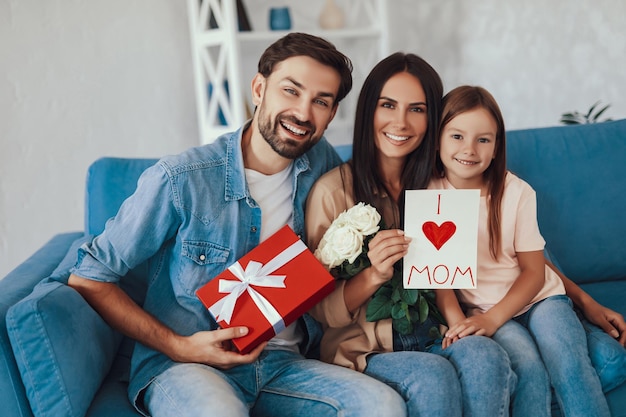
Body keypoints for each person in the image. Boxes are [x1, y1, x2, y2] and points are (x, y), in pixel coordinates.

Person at [67, 33, 409, 417]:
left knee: (382, 405)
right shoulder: (181, 179)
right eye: (291, 91)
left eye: (321, 102)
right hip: (188, 366)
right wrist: (178, 346)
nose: (303, 113)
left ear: (331, 115)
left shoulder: (324, 168)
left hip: (286, 363)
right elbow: (89, 277)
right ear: (259, 88)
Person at [306, 52, 517, 416]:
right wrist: (374, 275)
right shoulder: (333, 192)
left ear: (432, 119)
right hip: (369, 349)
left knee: (486, 356)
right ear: (368, 110)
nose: (400, 122)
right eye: (388, 105)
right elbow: (321, 309)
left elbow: (513, 242)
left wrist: (579, 298)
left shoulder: (444, 181)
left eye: (417, 109)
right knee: (432, 375)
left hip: (435, 332)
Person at [431, 85, 611, 417]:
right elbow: (439, 275)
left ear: (497, 147)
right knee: (527, 366)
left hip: (541, 298)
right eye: (457, 136)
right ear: (438, 137)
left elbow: (534, 270)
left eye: (483, 139)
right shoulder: (431, 195)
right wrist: (460, 322)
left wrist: (493, 317)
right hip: (485, 309)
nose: (469, 149)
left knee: (567, 360)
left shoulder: (516, 193)